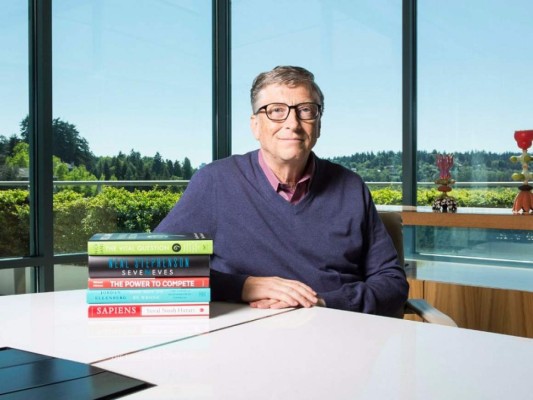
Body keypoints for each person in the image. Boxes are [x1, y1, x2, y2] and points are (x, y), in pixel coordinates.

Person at [155, 65, 408, 317]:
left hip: (341, 326)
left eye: (305, 110)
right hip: (245, 331)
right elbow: (155, 266)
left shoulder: (351, 187)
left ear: (318, 124)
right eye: (276, 110)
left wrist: (323, 302)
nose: (293, 123)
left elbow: (392, 283)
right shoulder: (215, 182)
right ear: (255, 125)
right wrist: (244, 286)